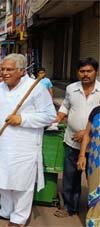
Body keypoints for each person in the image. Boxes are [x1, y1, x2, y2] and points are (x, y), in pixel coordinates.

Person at [0, 54, 56, 227]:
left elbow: (49, 116)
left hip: (24, 146)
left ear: (21, 71)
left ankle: (19, 218)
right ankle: (6, 210)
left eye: (9, 69)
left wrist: (22, 119)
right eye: (3, 69)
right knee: (1, 179)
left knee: (21, 183)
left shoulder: (35, 88)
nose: (4, 73)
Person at [55, 57, 100, 218]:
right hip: (72, 141)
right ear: (77, 73)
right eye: (82, 71)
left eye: (89, 71)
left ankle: (95, 208)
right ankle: (70, 206)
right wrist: (58, 117)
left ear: (96, 72)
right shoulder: (71, 89)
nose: (85, 74)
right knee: (70, 177)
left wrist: (86, 132)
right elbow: (66, 106)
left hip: (95, 146)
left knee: (94, 178)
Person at [77, 105, 100, 227]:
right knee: (96, 195)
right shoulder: (96, 111)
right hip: (95, 161)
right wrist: (82, 155)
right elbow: (87, 134)